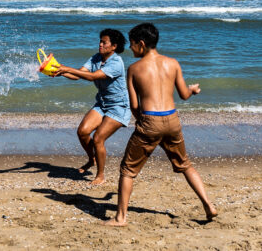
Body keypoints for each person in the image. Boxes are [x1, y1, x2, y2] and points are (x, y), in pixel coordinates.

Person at [104, 23, 217, 227]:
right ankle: (208, 204)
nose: (130, 48)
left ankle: (120, 218)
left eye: (132, 45)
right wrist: (193, 90)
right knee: (185, 165)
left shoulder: (134, 69)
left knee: (127, 170)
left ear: (141, 43)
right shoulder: (172, 63)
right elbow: (183, 95)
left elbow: (134, 105)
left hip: (150, 121)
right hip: (172, 119)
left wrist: (142, 121)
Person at [54, 29, 131, 185]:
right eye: (100, 41)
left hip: (118, 107)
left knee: (98, 139)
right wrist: (58, 71)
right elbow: (78, 75)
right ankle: (92, 159)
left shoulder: (116, 63)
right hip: (102, 104)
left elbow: (93, 77)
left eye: (104, 42)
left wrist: (66, 68)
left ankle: (100, 175)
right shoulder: (96, 58)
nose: (100, 44)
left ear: (114, 46)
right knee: (82, 132)